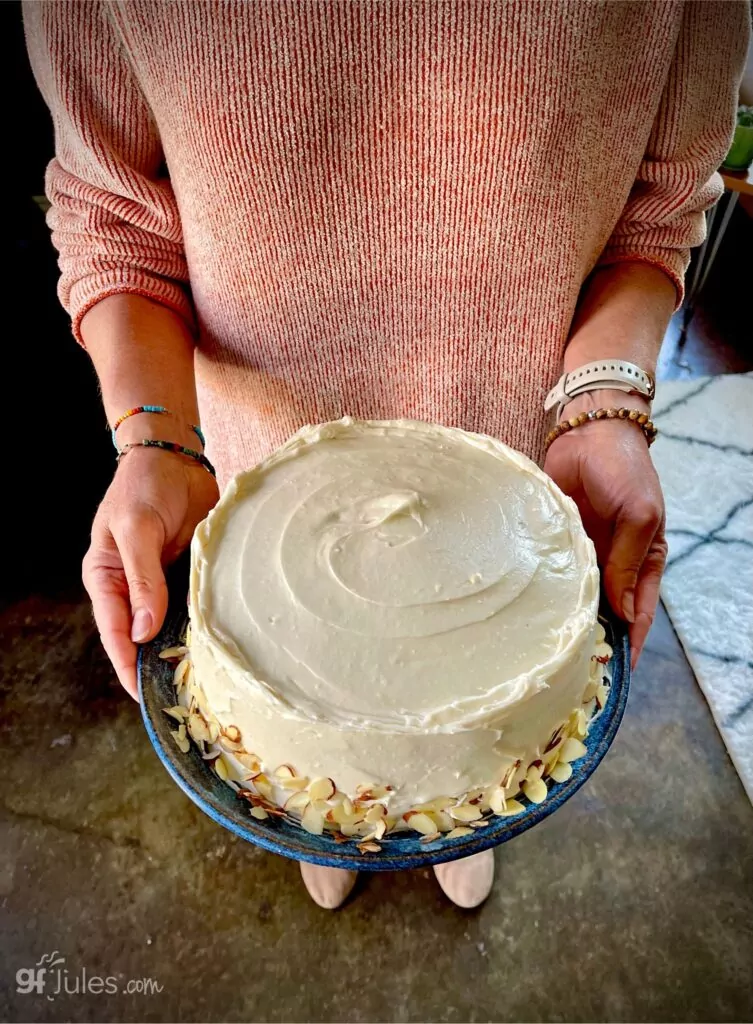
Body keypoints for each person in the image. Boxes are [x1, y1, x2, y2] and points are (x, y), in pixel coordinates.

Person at [25, 0, 748, 910]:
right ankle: (325, 801)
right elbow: (118, 220)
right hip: (255, 496)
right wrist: (157, 441)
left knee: (473, 725)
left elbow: (661, 203)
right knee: (307, 733)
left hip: (518, 492)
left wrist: (603, 403)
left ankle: (456, 799)